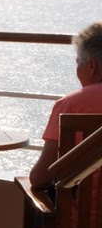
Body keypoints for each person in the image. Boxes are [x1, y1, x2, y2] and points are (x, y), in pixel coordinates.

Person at [27, 22, 102, 191]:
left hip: (80, 209)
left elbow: (40, 178)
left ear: (91, 66)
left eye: (78, 62)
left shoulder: (70, 104)